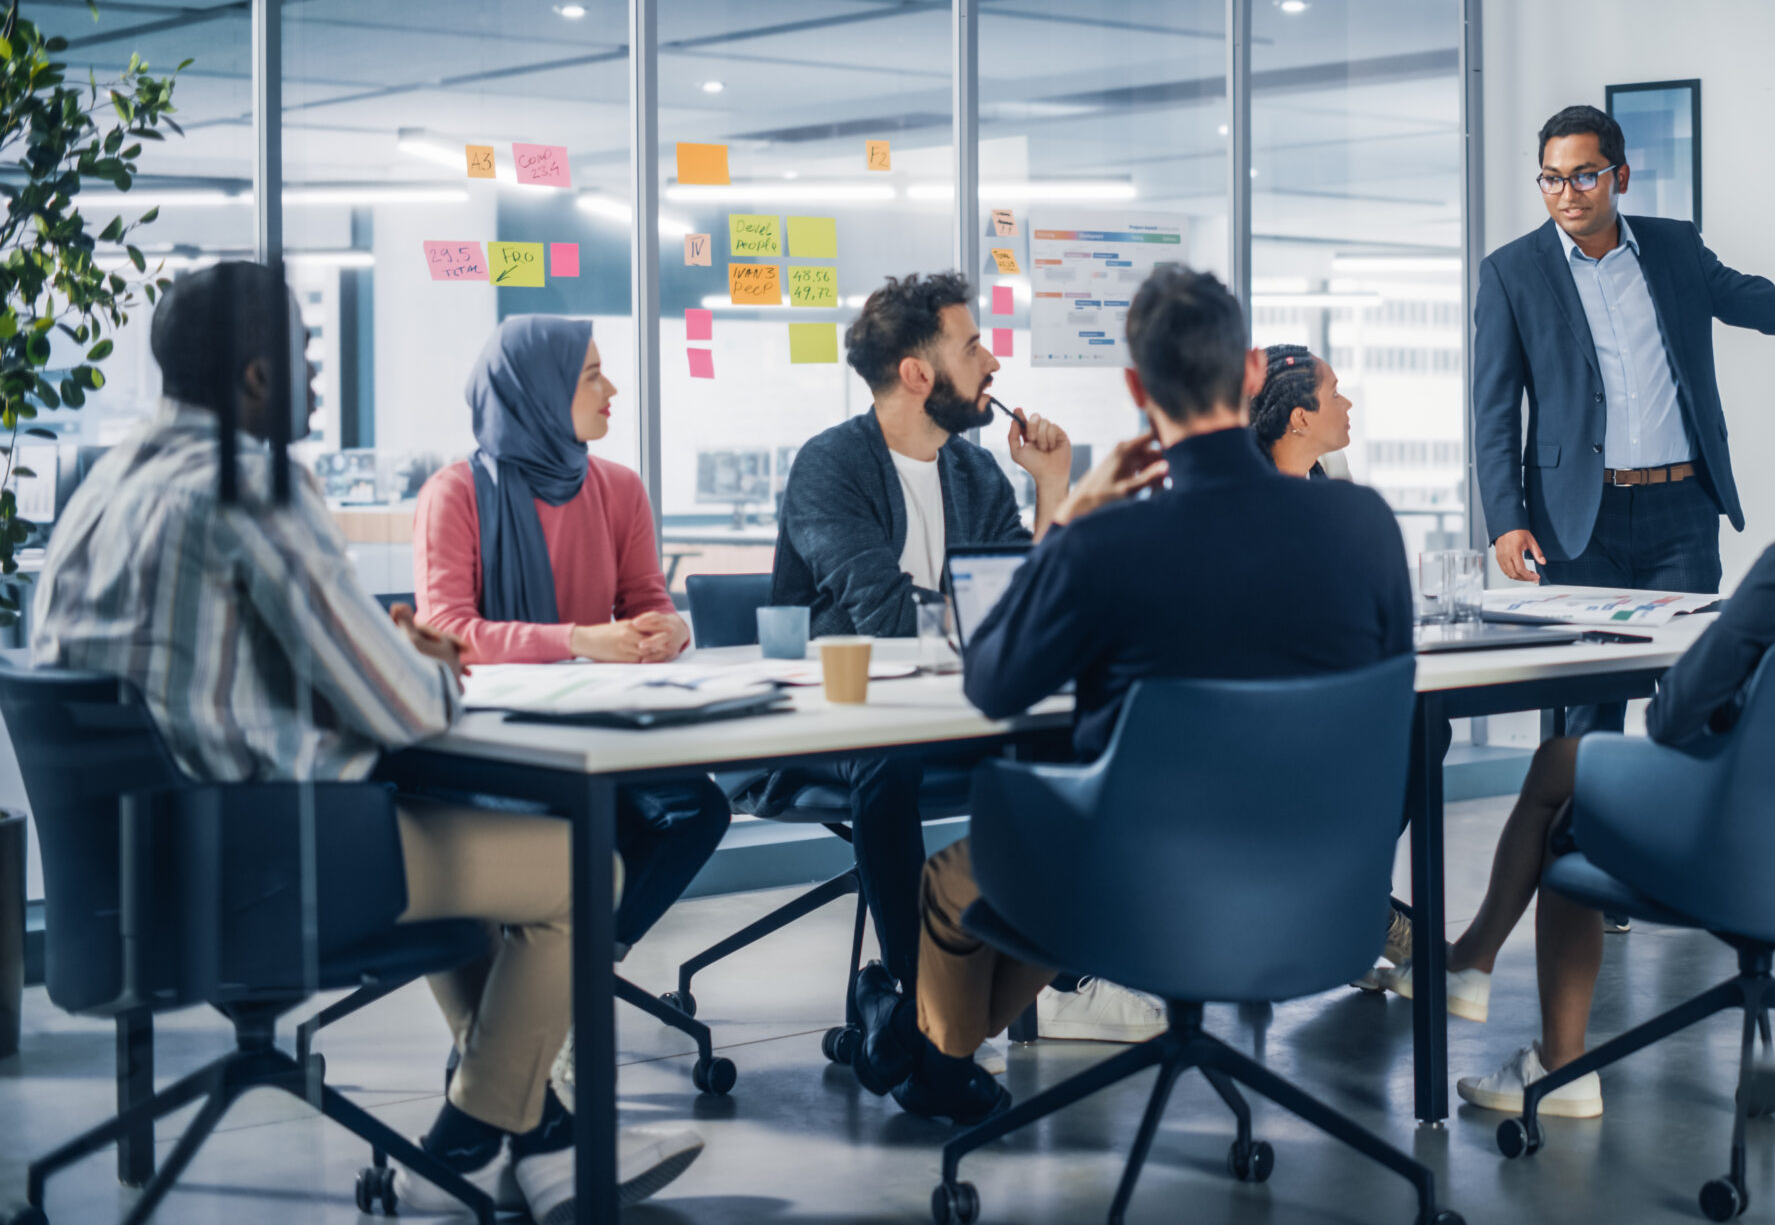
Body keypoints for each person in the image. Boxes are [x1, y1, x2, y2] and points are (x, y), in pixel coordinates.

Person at [31, 263, 701, 1220]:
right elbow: (403, 707)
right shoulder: (252, 484)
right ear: (256, 377)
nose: (317, 376)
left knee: (446, 817)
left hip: (128, 881)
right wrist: (421, 659)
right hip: (265, 865)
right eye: (306, 354)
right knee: (578, 870)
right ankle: (487, 1120)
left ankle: (537, 1128)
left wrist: (391, 653)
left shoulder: (103, 488)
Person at [857, 266, 1415, 1124]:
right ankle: (918, 1051)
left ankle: (923, 1052)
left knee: (959, 879)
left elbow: (995, 680)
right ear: (1255, 372)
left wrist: (1074, 513)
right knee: (1050, 854)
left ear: (1134, 386)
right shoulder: (1366, 526)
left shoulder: (1111, 542)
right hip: (1321, 884)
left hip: (1138, 893)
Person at [1411, 351, 1775, 1120]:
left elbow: (1672, 718)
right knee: (1569, 768)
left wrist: (1730, 708)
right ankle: (1474, 967)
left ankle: (1557, 1062)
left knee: (1565, 793)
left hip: (1745, 843)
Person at [733, 272, 1128, 1080]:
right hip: (840, 725)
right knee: (890, 762)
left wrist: (1051, 488)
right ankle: (928, 1025)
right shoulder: (831, 466)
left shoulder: (976, 474)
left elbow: (1030, 609)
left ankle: (989, 996)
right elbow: (881, 615)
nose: (993, 362)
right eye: (973, 345)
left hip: (952, 710)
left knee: (1070, 746)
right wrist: (981, 623)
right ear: (918, 374)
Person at [1474, 104, 1775, 733]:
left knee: (1699, 694)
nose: (1567, 193)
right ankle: (1575, 833)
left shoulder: (1674, 247)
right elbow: (1493, 409)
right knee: (1588, 710)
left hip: (1679, 512)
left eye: (1585, 175)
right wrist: (1506, 521)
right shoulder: (1512, 272)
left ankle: (1689, 823)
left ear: (1620, 176)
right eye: (1551, 178)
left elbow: (1772, 304)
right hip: (1577, 521)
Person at [411, 316, 730, 993]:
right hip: (490, 743)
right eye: (590, 375)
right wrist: (579, 640)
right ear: (536, 391)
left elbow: (648, 598)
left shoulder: (619, 487)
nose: (610, 388)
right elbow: (446, 629)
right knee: (564, 832)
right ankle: (542, 1002)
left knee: (697, 812)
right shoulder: (456, 493)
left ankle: (568, 978)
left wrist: (670, 631)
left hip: (593, 729)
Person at [1248, 343, 1353, 479]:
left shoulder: (1334, 466)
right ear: (1301, 419)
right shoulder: (1247, 493)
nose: (1348, 404)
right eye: (1334, 394)